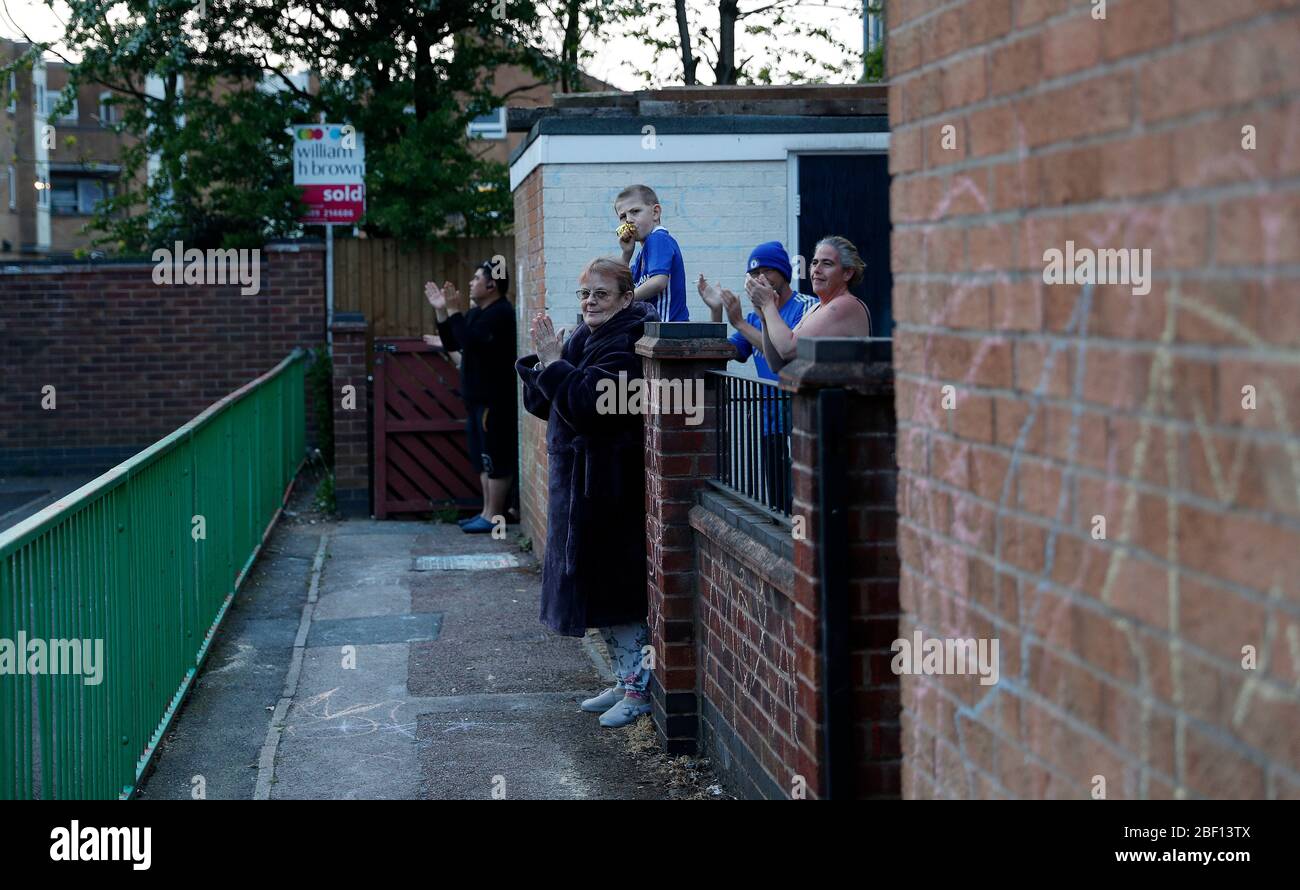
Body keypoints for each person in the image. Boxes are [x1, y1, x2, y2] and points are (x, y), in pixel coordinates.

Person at [515, 257, 657, 729]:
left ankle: (640, 689)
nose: (590, 302)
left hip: (608, 485)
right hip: (575, 483)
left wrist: (556, 366)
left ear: (625, 298)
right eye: (584, 294)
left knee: (618, 590)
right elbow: (545, 402)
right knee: (596, 590)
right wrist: (544, 360)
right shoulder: (584, 336)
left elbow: (592, 406)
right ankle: (624, 678)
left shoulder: (629, 341)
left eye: (600, 294)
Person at [698, 241, 816, 512]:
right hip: (770, 423)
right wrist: (717, 311)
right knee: (778, 506)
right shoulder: (754, 317)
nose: (759, 278)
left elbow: (786, 354)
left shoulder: (806, 307)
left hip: (800, 419)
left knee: (803, 505)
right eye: (753, 274)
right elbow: (723, 353)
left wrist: (739, 322)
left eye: (766, 271)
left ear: (784, 273)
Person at [425, 261, 517, 534]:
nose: (470, 283)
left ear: (492, 284)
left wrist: (453, 310)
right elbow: (454, 342)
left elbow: (469, 341)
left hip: (495, 401)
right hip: (476, 399)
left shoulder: (500, 314)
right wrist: (442, 312)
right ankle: (486, 512)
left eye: (476, 278)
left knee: (495, 458)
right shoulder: (478, 313)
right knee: (482, 458)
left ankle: (494, 516)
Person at [751, 235, 872, 373]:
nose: (817, 270)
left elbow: (788, 349)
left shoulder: (846, 304)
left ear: (847, 273)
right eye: (814, 263)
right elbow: (777, 364)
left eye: (827, 263)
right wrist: (764, 318)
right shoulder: (816, 308)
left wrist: (768, 305)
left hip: (838, 394)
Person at [614, 184, 689, 322]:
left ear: (655, 213)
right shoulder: (642, 253)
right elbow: (619, 286)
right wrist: (626, 254)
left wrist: (623, 302)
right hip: (654, 331)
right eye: (623, 216)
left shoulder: (658, 238)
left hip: (667, 329)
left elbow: (659, 282)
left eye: (635, 211)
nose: (629, 220)